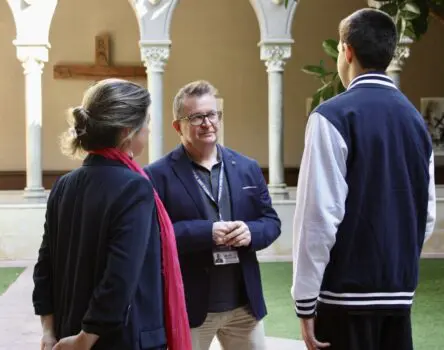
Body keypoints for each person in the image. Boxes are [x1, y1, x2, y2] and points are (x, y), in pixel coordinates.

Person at [291, 8, 436, 350]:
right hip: (398, 295)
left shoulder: (331, 116)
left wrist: (305, 300)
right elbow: (426, 216)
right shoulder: (416, 121)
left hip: (345, 298)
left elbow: (317, 217)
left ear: (347, 51)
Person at [32, 78, 191, 350]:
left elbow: (44, 266)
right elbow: (120, 275)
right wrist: (86, 338)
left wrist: (49, 331)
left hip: (68, 333)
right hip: (121, 338)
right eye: (147, 123)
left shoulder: (64, 185)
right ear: (128, 131)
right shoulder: (134, 187)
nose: (149, 130)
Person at [145, 80, 281, 350]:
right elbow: (153, 235)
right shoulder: (156, 175)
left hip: (244, 306)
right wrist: (205, 232)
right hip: (193, 307)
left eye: (212, 114)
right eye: (196, 117)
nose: (207, 123)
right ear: (178, 126)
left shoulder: (247, 167)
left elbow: (271, 222)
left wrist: (250, 232)